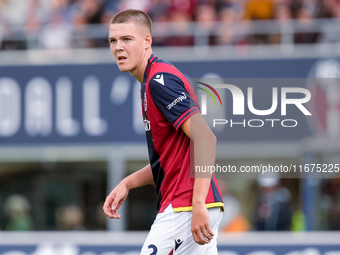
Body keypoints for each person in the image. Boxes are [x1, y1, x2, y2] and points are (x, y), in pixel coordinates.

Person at [103, 9, 224, 255]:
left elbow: (205, 138)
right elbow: (170, 160)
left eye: (127, 39)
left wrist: (197, 203)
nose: (118, 48)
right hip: (191, 203)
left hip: (186, 204)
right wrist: (128, 183)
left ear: (147, 41)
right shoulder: (151, 80)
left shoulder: (160, 80)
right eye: (113, 41)